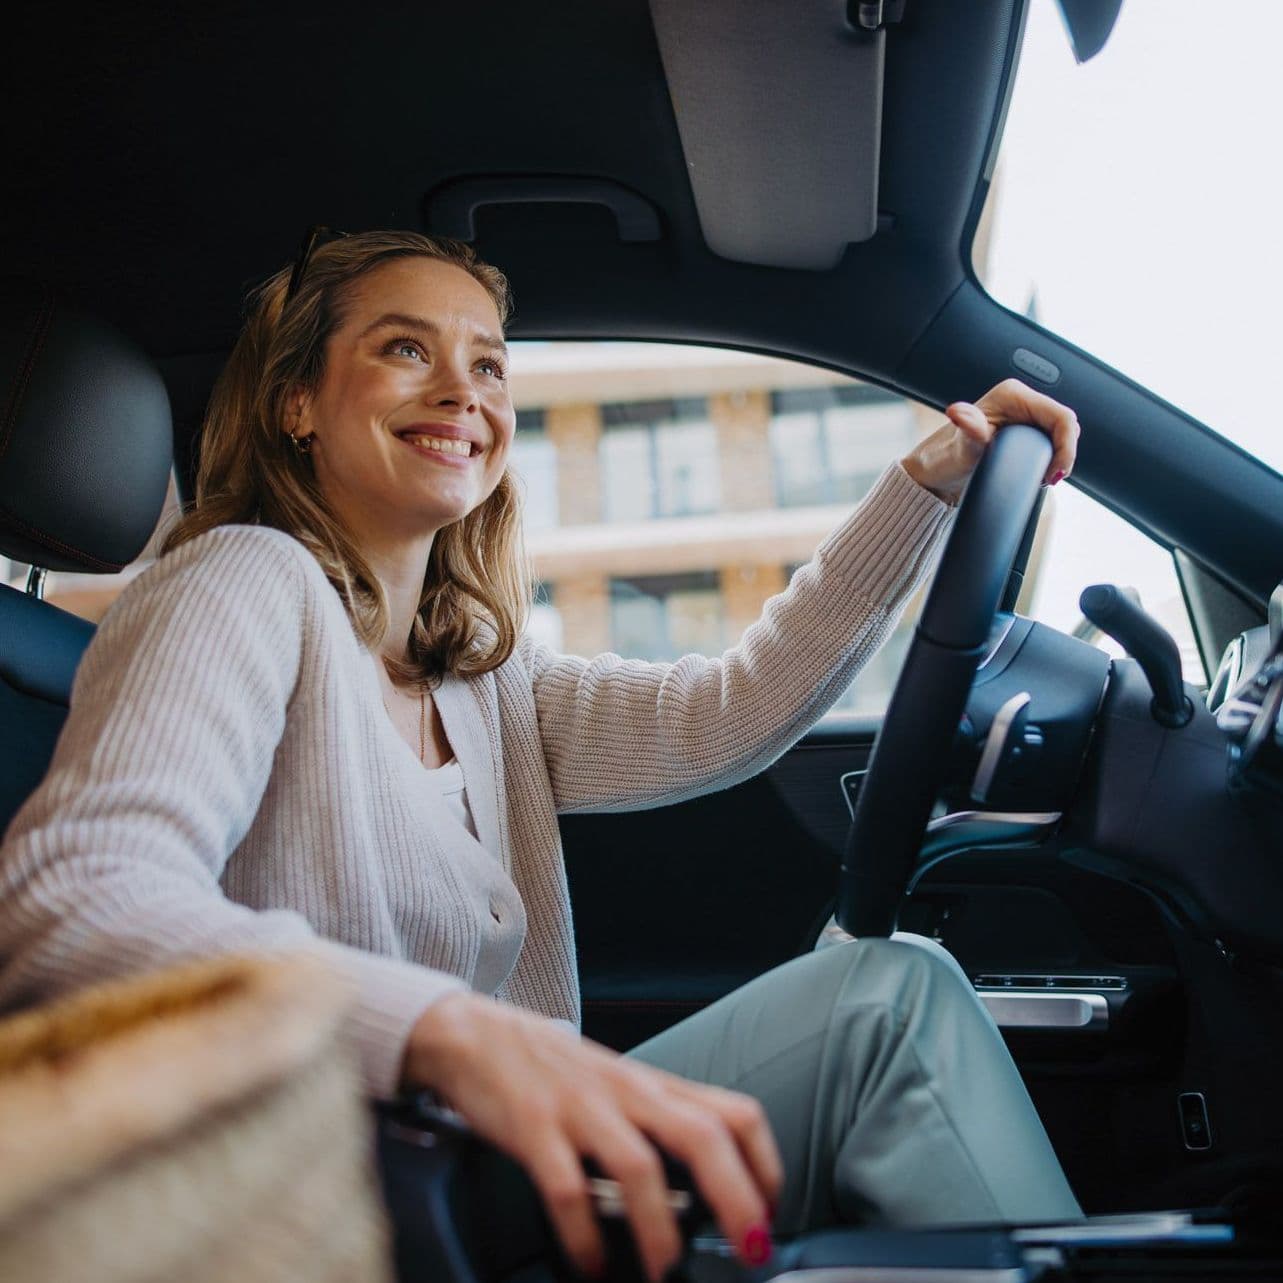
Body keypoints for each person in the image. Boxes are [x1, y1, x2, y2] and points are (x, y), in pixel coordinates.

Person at [0, 231, 1080, 1281]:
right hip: (337, 1191)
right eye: (404, 348)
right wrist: (437, 1031)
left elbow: (730, 707)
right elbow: (74, 896)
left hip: (469, 1174)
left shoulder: (478, 678)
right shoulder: (238, 582)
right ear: (296, 402)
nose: (463, 391)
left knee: (890, 998)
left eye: (487, 363)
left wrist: (927, 484)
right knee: (882, 1008)